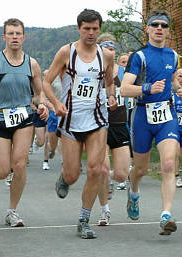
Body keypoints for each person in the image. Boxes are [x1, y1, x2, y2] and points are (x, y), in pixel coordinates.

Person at [43, 9, 116, 239]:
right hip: (71, 120)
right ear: (79, 29)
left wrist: (112, 96)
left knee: (95, 169)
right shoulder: (67, 52)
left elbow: (109, 81)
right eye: (87, 29)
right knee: (74, 174)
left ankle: (84, 220)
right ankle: (65, 178)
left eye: (95, 28)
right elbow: (46, 82)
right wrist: (55, 102)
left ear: (100, 29)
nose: (91, 33)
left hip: (97, 118)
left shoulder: (106, 55)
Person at [0, 18, 48, 227]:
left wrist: (42, 106)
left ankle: (12, 211)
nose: (15, 37)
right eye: (11, 33)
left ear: (24, 37)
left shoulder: (32, 64)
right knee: (4, 169)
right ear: (4, 37)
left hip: (24, 118)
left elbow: (38, 93)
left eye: (18, 34)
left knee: (20, 164)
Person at [120, 10, 182, 236]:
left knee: (169, 165)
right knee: (141, 168)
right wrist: (147, 88)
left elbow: (170, 81)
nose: (159, 28)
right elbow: (124, 89)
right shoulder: (139, 56)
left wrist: (179, 89)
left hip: (166, 115)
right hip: (142, 116)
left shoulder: (173, 55)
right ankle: (134, 192)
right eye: (155, 24)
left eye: (164, 25)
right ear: (147, 29)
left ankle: (166, 215)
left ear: (168, 31)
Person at [96, 33, 130, 226]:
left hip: (119, 124)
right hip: (99, 124)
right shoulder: (94, 71)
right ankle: (104, 210)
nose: (110, 50)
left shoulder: (124, 72)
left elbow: (136, 87)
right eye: (106, 46)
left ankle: (107, 179)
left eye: (112, 47)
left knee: (121, 174)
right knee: (102, 168)